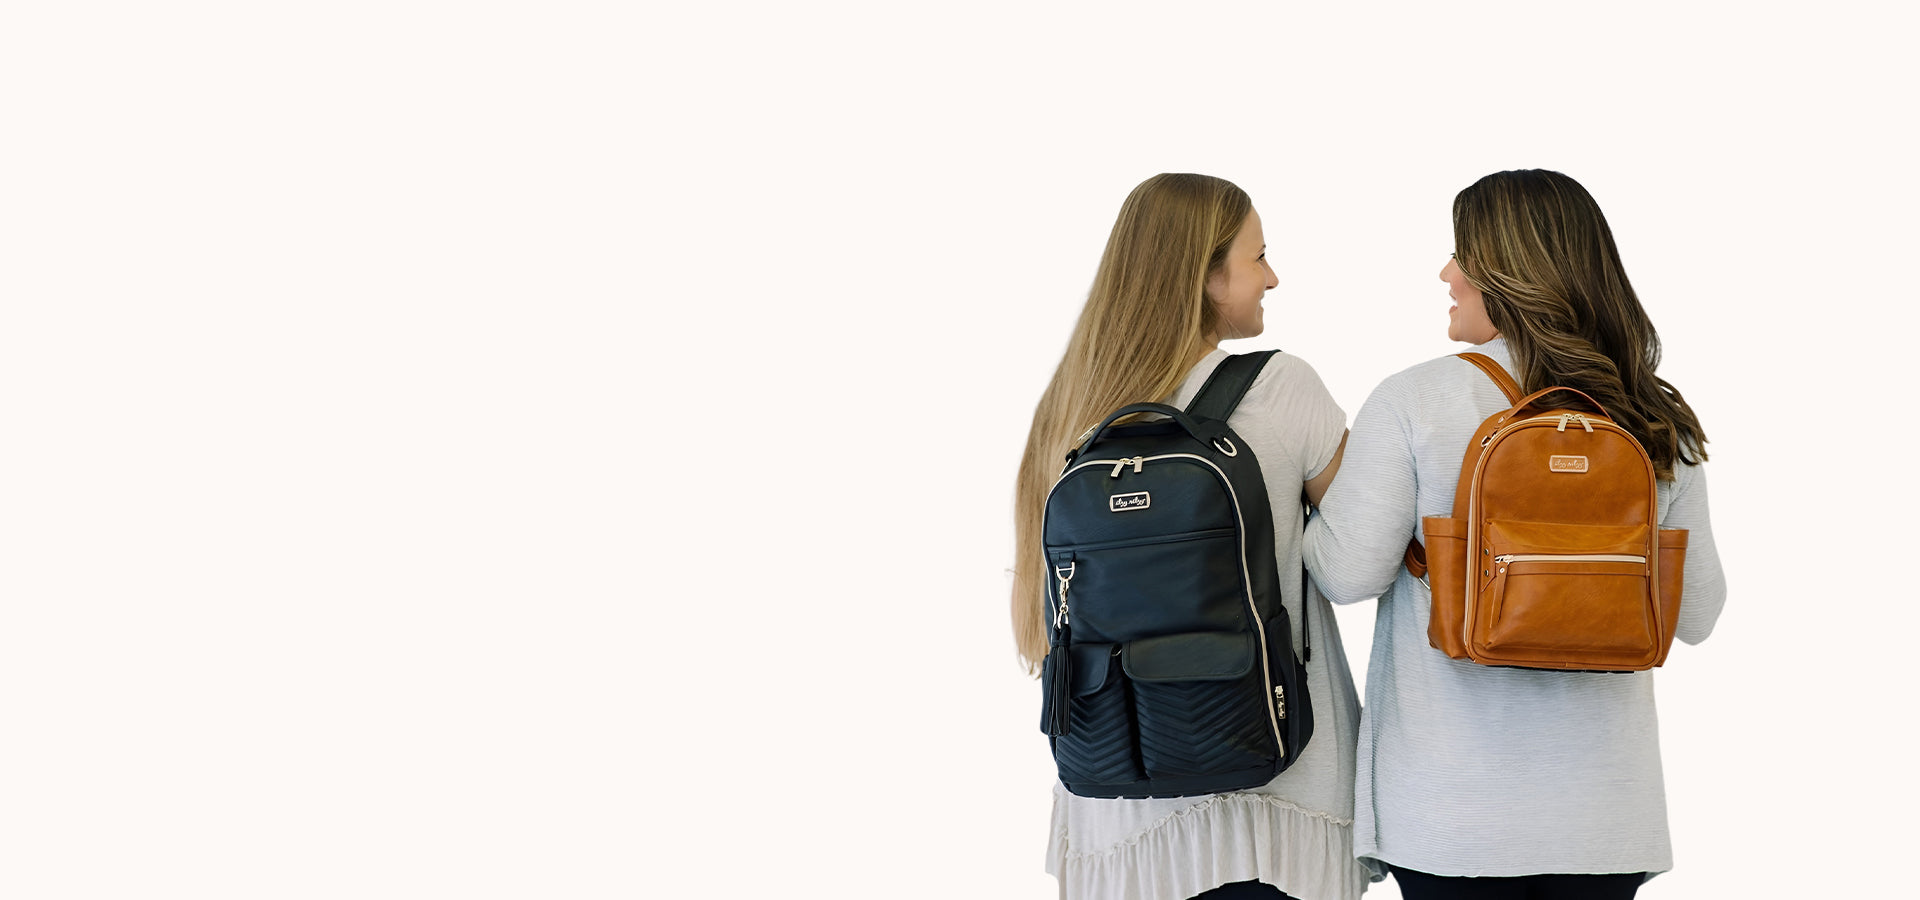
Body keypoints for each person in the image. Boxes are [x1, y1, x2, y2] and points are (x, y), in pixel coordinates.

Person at [1302, 169, 1727, 899]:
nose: (1446, 272)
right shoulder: (1653, 413)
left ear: (1507, 272)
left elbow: (1346, 575)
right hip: (1607, 821)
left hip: (1454, 815)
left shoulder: (1414, 399)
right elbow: (1695, 615)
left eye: (1462, 253)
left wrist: (1310, 494)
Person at [1013, 173, 1371, 900]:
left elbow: (1034, 617)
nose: (1273, 277)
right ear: (1206, 276)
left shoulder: (1068, 408)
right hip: (1274, 794)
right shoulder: (1283, 386)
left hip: (1119, 808)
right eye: (1258, 257)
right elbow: (1366, 555)